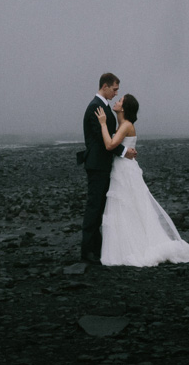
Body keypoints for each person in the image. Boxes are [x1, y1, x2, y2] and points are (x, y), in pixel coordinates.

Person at [94, 92, 189, 266]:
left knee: (131, 205)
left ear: (124, 108)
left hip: (125, 171)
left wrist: (102, 123)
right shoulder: (122, 125)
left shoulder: (126, 125)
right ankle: (125, 245)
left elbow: (110, 145)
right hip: (122, 168)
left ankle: (134, 246)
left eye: (120, 101)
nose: (116, 102)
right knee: (127, 206)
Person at [79, 72, 121, 265]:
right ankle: (87, 250)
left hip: (100, 164)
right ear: (105, 86)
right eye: (114, 89)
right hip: (97, 165)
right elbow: (105, 140)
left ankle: (95, 248)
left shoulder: (101, 106)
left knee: (98, 206)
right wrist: (124, 151)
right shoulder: (96, 107)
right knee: (94, 206)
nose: (115, 93)